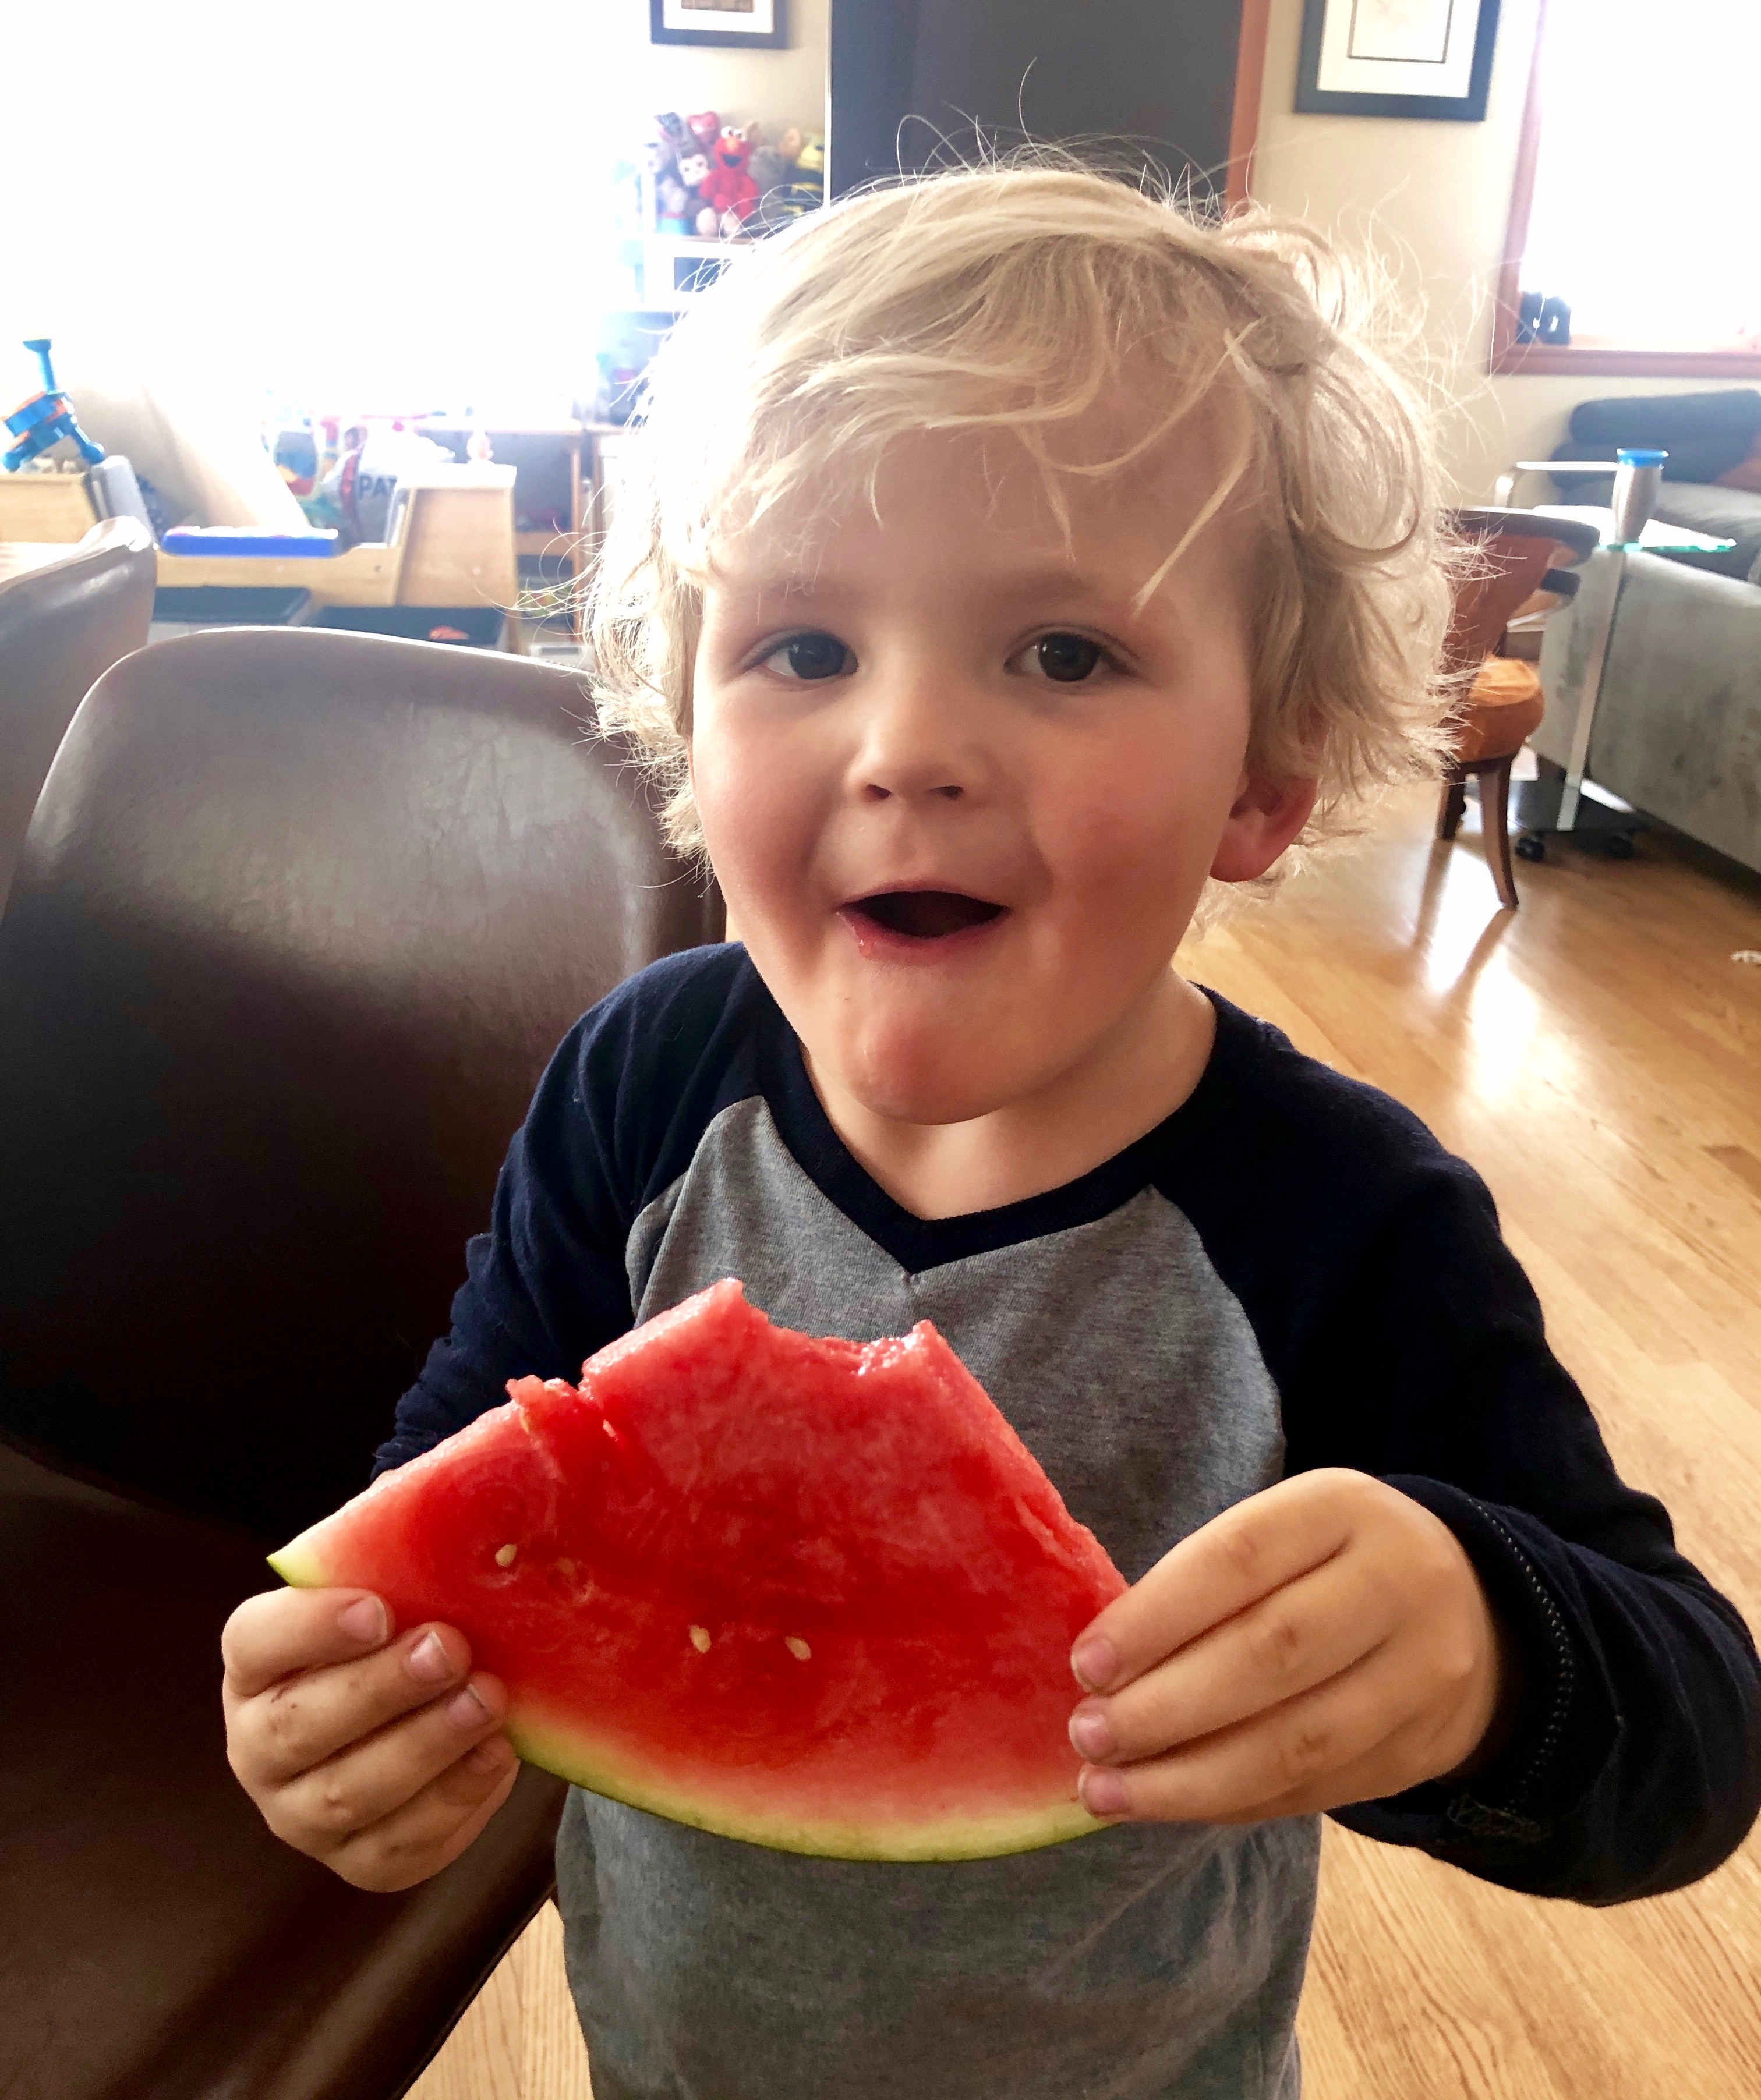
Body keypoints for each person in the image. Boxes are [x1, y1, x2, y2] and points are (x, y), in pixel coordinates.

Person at [221, 164, 1761, 2099]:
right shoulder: (641, 1086)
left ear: (1264, 781)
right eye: (802, 649)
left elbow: (1695, 1738)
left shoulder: (1340, 1218)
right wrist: (356, 1706)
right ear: (686, 720)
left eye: (1063, 654)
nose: (907, 750)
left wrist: (1490, 1657)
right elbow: (455, 1502)